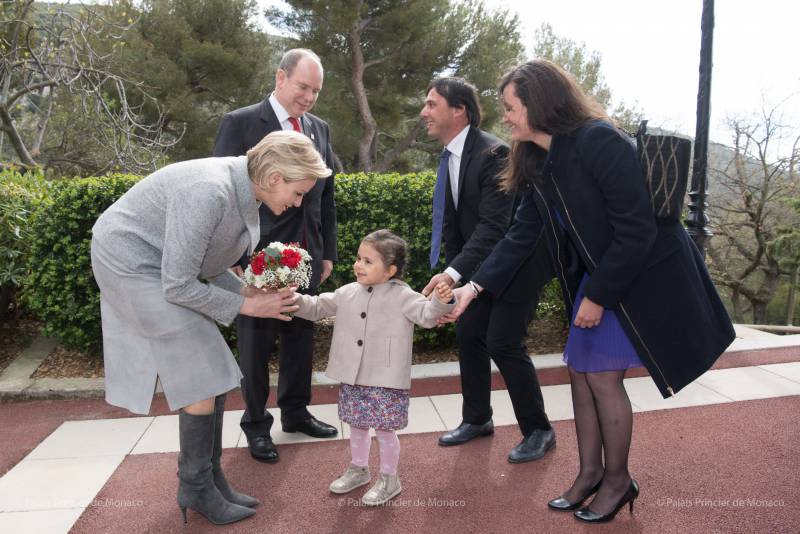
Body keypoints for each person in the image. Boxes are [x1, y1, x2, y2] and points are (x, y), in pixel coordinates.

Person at [450, 59, 735, 523]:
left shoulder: (598, 140)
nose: (505, 116)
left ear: (539, 103)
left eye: (510, 106)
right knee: (581, 372)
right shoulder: (537, 158)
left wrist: (599, 296)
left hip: (634, 276)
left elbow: (637, 230)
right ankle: (589, 473)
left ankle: (619, 480)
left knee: (602, 377)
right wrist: (473, 287)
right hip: (600, 277)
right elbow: (522, 233)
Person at [90, 131, 332, 525]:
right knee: (202, 373)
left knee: (215, 372)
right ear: (274, 178)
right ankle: (196, 486)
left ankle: (209, 479)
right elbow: (179, 283)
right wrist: (248, 306)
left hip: (162, 265)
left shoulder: (242, 189)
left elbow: (210, 264)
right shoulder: (211, 192)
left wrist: (249, 295)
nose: (298, 202)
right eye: (299, 192)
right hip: (129, 262)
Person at [419, 77, 555, 462]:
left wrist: (453, 274)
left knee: (503, 342)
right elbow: (453, 225)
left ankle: (539, 429)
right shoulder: (449, 155)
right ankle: (477, 419)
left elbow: (495, 227)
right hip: (478, 270)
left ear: (458, 109)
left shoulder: (494, 152)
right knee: (470, 334)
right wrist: (452, 274)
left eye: (432, 104)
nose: (424, 112)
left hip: (518, 265)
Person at [213, 48, 339, 463]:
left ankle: (296, 412)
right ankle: (255, 424)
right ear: (280, 78)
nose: (308, 97)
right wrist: (230, 254)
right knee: (256, 343)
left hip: (307, 257)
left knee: (301, 337)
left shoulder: (319, 129)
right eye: (303, 86)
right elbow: (223, 192)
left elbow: (328, 198)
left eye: (315, 91)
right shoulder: (241, 123)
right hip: (256, 258)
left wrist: (326, 252)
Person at [292, 230, 456, 506]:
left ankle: (390, 478)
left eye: (368, 261)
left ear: (390, 270)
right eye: (358, 258)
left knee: (384, 430)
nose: (358, 265)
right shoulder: (347, 292)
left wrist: (441, 300)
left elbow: (428, 316)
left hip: (385, 378)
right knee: (356, 424)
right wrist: (290, 298)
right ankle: (359, 469)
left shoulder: (404, 296)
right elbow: (317, 306)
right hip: (353, 377)